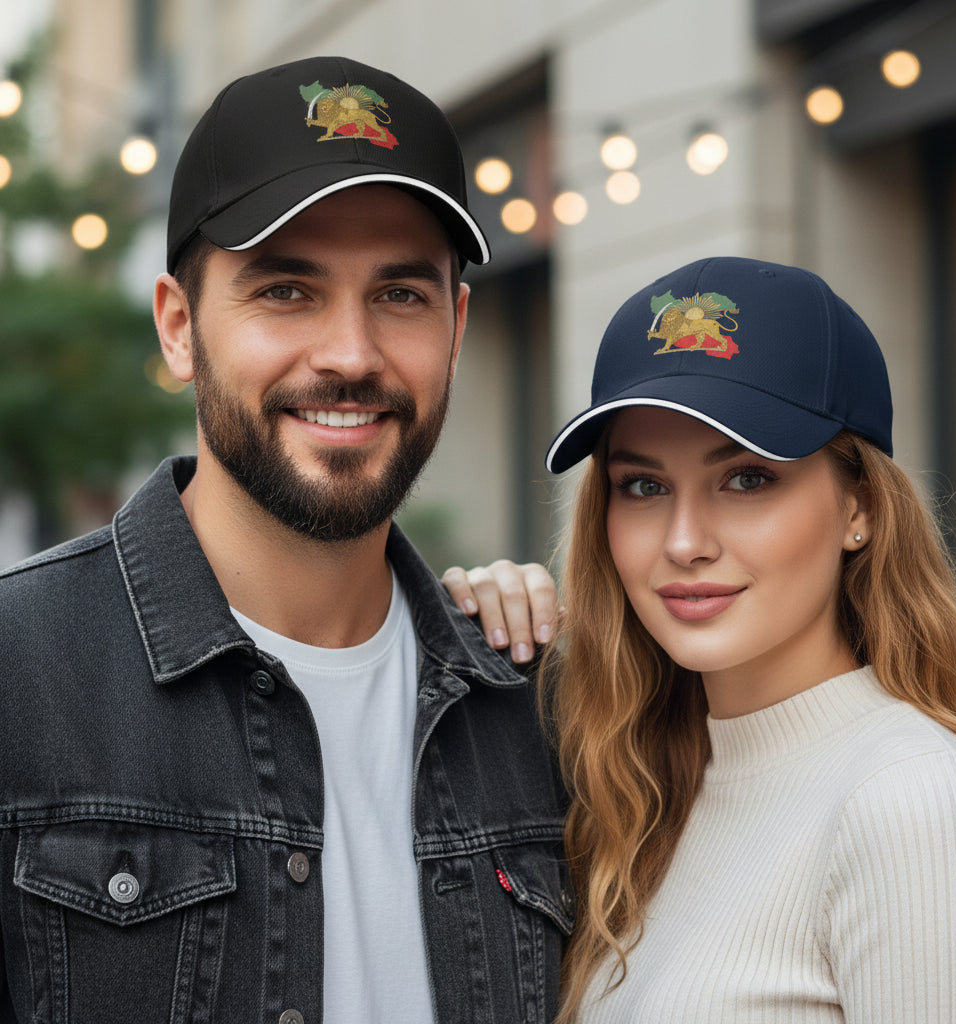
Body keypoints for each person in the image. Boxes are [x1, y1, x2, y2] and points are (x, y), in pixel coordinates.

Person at [0, 56, 570, 1024]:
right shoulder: (20, 673)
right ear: (180, 328)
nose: (350, 354)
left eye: (399, 294)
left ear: (456, 326)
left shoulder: (542, 705)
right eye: (285, 290)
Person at [447, 256, 956, 1022]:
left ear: (860, 509)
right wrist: (457, 630)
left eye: (747, 479)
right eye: (644, 486)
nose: (684, 542)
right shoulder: (645, 786)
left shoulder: (915, 800)